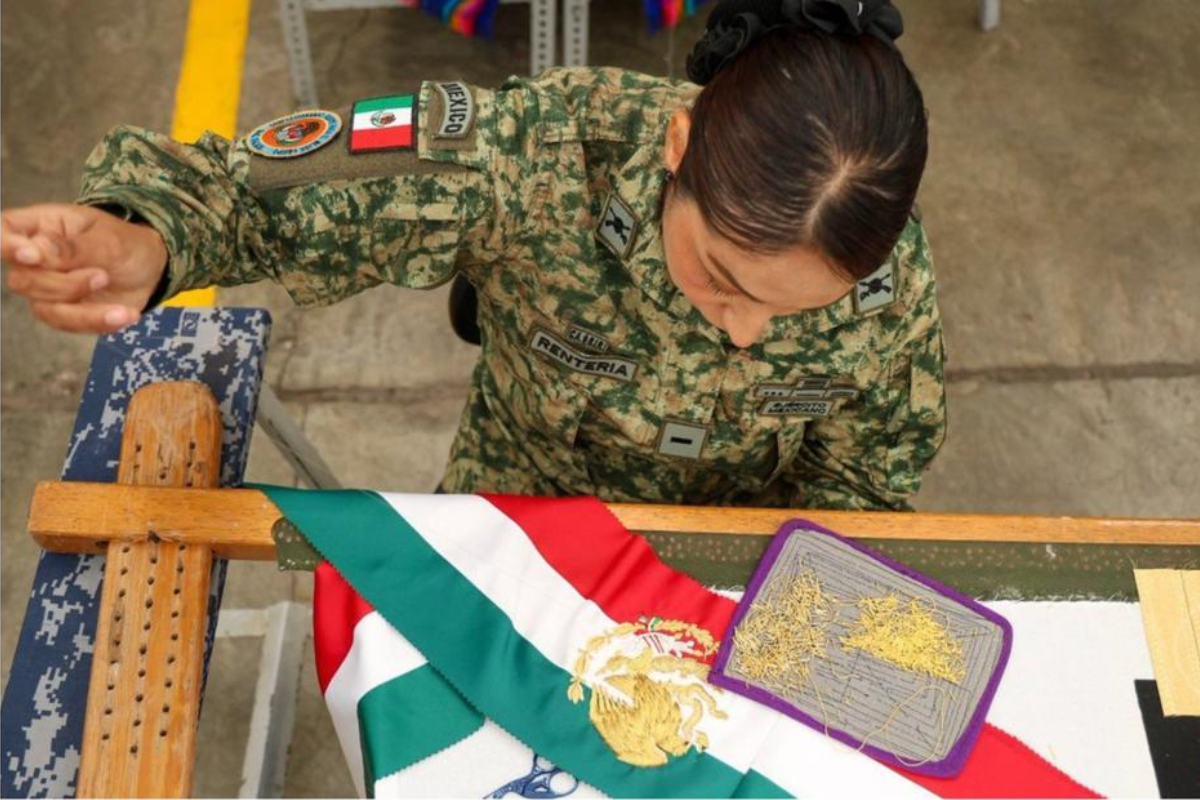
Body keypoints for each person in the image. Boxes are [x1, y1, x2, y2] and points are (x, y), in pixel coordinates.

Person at [1, 0, 944, 510]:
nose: (746, 332)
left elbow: (865, 475)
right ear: (677, 147)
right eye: (726, 278)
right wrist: (148, 230)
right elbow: (257, 185)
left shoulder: (889, 281)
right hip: (519, 520)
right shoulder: (530, 155)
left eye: (799, 308)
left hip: (734, 569)